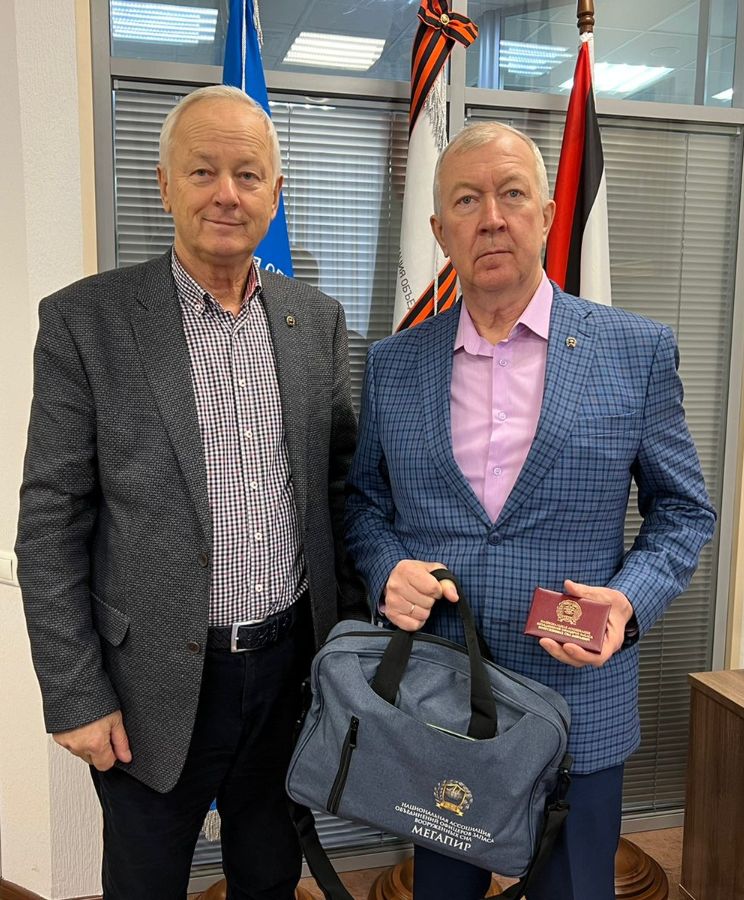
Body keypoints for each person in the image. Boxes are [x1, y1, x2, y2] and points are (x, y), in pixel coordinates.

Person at [345, 121, 716, 900]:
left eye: (511, 194)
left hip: (580, 703)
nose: (491, 217)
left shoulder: (635, 350)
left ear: (546, 215)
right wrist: (385, 569)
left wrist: (627, 603)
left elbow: (684, 511)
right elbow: (365, 503)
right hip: (439, 701)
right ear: (439, 229)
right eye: (467, 200)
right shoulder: (392, 364)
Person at [16, 84, 366, 900]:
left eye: (248, 174)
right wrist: (75, 693)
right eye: (203, 171)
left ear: (275, 193)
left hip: (289, 675)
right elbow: (49, 526)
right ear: (165, 185)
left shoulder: (316, 321)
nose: (226, 194)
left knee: (270, 876)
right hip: (149, 690)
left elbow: (339, 492)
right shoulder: (86, 322)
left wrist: (345, 648)